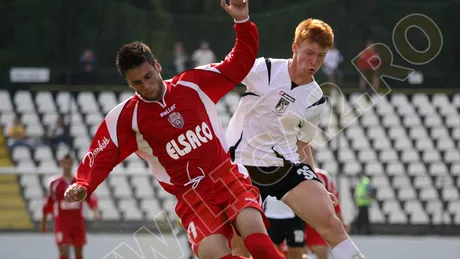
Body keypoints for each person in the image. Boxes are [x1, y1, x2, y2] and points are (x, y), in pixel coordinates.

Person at [64, 1, 284, 259]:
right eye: (136, 83)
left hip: (226, 176)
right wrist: (83, 185)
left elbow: (238, 64)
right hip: (192, 197)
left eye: (148, 76)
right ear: (128, 82)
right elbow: (101, 155)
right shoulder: (127, 118)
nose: (145, 86)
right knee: (215, 255)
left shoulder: (192, 84)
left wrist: (242, 22)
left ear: (156, 65)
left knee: (258, 243)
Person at [226, 18, 365, 259]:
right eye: (309, 53)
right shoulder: (264, 69)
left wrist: (317, 184)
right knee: (240, 245)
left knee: (331, 224)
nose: (314, 62)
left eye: (320, 56)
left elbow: (302, 144)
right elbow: (224, 75)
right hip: (242, 166)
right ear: (295, 47)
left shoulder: (316, 98)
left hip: (285, 166)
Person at [41, 154, 100, 259]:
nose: (67, 165)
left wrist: (95, 211)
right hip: (62, 222)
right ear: (61, 164)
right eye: (65, 162)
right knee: (63, 252)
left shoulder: (80, 182)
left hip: (77, 221)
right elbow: (48, 203)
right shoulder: (54, 183)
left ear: (72, 164)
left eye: (69, 162)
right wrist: (44, 222)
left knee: (78, 252)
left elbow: (90, 197)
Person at [304, 168, 349, 259]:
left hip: (318, 221)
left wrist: (342, 219)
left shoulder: (322, 175)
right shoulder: (292, 174)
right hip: (298, 219)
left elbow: (333, 200)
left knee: (322, 252)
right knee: (297, 253)